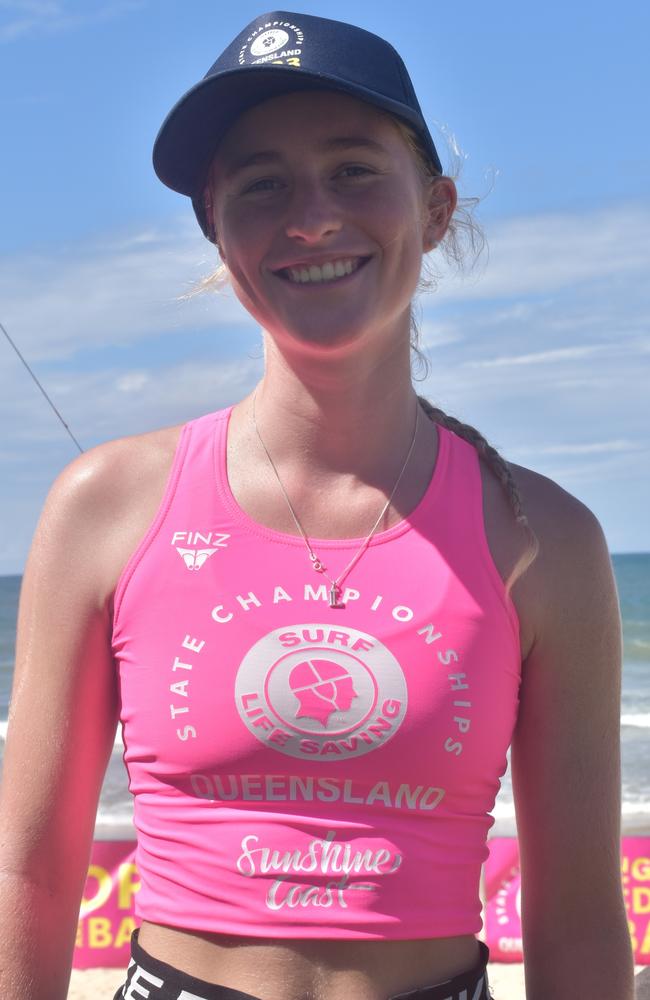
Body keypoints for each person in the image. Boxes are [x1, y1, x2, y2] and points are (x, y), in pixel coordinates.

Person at [0, 11, 635, 1000]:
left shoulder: (539, 540)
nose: (309, 219)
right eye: (260, 186)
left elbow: (579, 918)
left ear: (432, 208)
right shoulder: (107, 507)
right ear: (216, 224)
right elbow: (28, 874)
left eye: (351, 171)